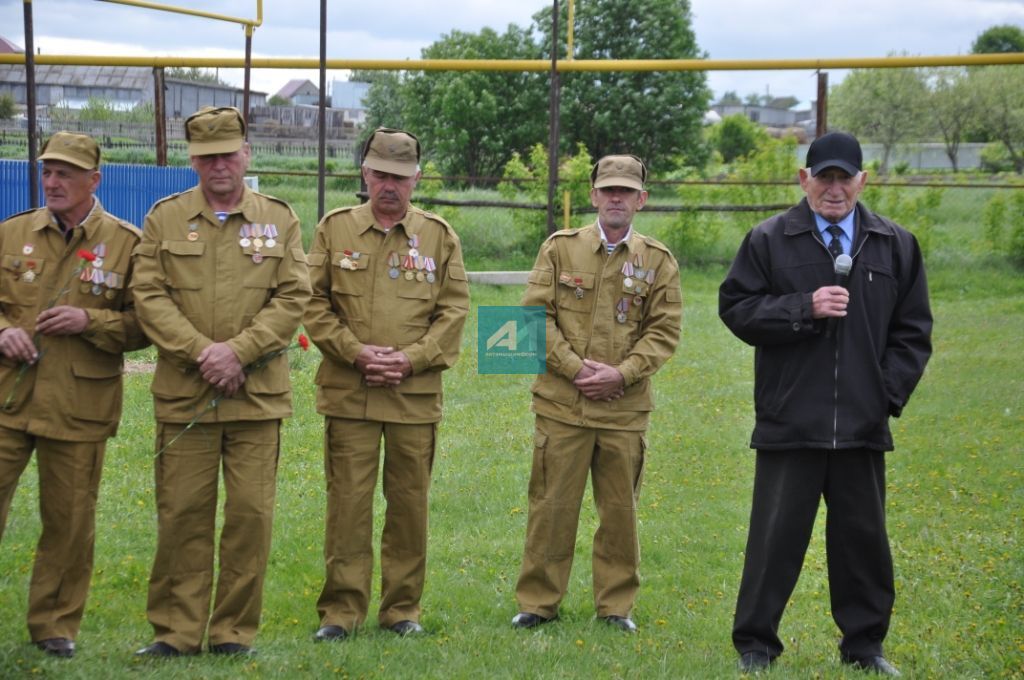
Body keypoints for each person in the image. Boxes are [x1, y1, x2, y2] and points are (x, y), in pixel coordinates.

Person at [719, 131, 933, 676]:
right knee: (774, 542)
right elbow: (737, 309)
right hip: (791, 420)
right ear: (803, 180)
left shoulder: (895, 244)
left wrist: (883, 395)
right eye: (823, 177)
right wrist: (802, 307)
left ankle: (865, 647)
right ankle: (756, 645)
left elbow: (913, 332)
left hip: (862, 425)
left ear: (863, 181)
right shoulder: (769, 239)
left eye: (844, 178)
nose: (833, 189)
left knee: (863, 544)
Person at [130, 106, 310, 657]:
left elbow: (294, 296)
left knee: (250, 519)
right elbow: (148, 294)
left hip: (256, 397)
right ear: (193, 161)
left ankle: (233, 633)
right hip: (186, 394)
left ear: (246, 154)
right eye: (206, 158)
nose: (219, 167)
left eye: (228, 154)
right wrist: (201, 353)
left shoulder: (280, 219)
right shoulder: (165, 218)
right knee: (182, 514)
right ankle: (176, 633)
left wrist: (238, 353)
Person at [304, 127, 469, 640]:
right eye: (380, 175)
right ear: (365, 174)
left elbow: (454, 311)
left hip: (412, 398)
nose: (389, 186)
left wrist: (410, 360)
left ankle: (402, 611)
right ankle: (341, 612)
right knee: (348, 506)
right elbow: (312, 303)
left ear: (416, 179)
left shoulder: (439, 237)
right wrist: (355, 354)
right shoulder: (334, 230)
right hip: (350, 393)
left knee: (408, 507)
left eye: (400, 177)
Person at [510, 154, 682, 634]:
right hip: (562, 406)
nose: (616, 198)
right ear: (592, 196)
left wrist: (621, 374)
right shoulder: (560, 250)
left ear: (641, 200)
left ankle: (616, 607)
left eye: (626, 191)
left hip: (622, 411)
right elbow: (532, 317)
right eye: (608, 189)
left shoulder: (658, 262)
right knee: (551, 508)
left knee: (620, 515)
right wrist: (574, 367)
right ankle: (538, 603)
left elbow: (664, 332)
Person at [0, 131, 147, 658]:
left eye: (66, 173)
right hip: (8, 401)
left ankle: (54, 625)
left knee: (69, 521)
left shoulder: (127, 243)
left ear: (94, 180)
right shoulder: (12, 233)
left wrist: (91, 320)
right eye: (48, 172)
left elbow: (143, 326)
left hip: (79, 404)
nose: (54, 182)